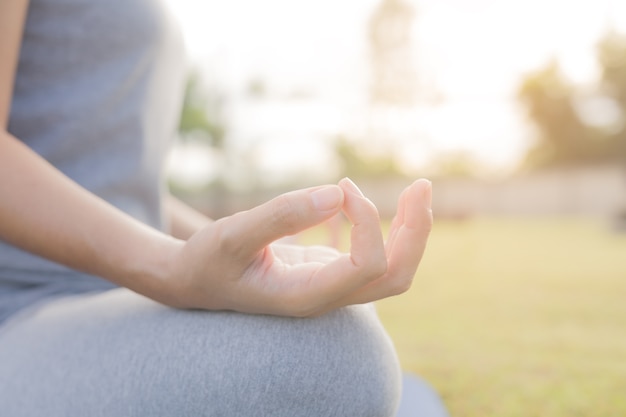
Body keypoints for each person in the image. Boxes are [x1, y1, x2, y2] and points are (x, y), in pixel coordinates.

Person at [0, 1, 437, 416]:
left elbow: (119, 188)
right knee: (331, 360)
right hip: (19, 311)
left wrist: (245, 247)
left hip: (113, 300)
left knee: (336, 316)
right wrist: (168, 268)